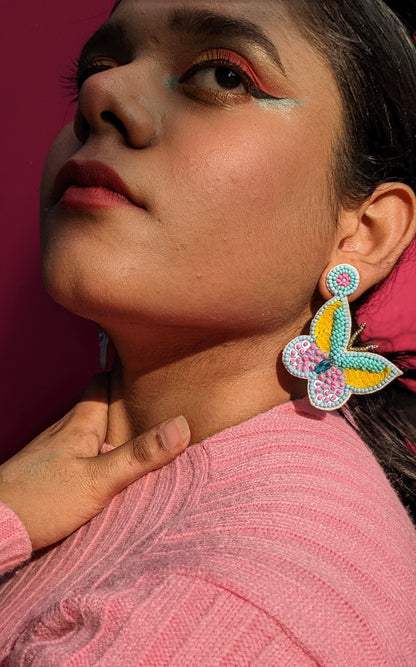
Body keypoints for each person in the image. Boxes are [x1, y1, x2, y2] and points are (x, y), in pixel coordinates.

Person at [1, 0, 416, 663]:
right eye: (99, 66)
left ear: (362, 234)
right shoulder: (72, 476)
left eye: (223, 76)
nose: (102, 92)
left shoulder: (235, 615)